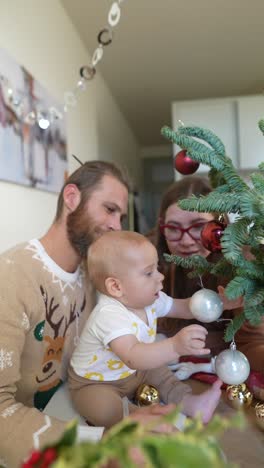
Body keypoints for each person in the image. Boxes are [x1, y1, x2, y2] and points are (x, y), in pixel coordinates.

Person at [0, 161, 177, 468]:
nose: (116, 225)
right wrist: (105, 443)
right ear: (71, 198)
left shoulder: (94, 278)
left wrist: (134, 417)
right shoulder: (12, 277)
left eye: (120, 215)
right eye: (109, 209)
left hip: (81, 408)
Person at [68, 230, 229, 429]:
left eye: (157, 269)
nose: (160, 277)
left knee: (161, 373)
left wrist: (219, 303)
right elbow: (133, 355)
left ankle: (191, 403)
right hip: (95, 383)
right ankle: (142, 420)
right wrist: (174, 347)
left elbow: (185, 307)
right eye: (149, 273)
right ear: (116, 287)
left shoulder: (151, 300)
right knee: (104, 409)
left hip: (135, 371)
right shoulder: (109, 314)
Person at [152, 175, 236, 356]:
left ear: (220, 225)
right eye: (173, 228)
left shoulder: (241, 269)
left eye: (198, 226)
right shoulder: (148, 266)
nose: (186, 241)